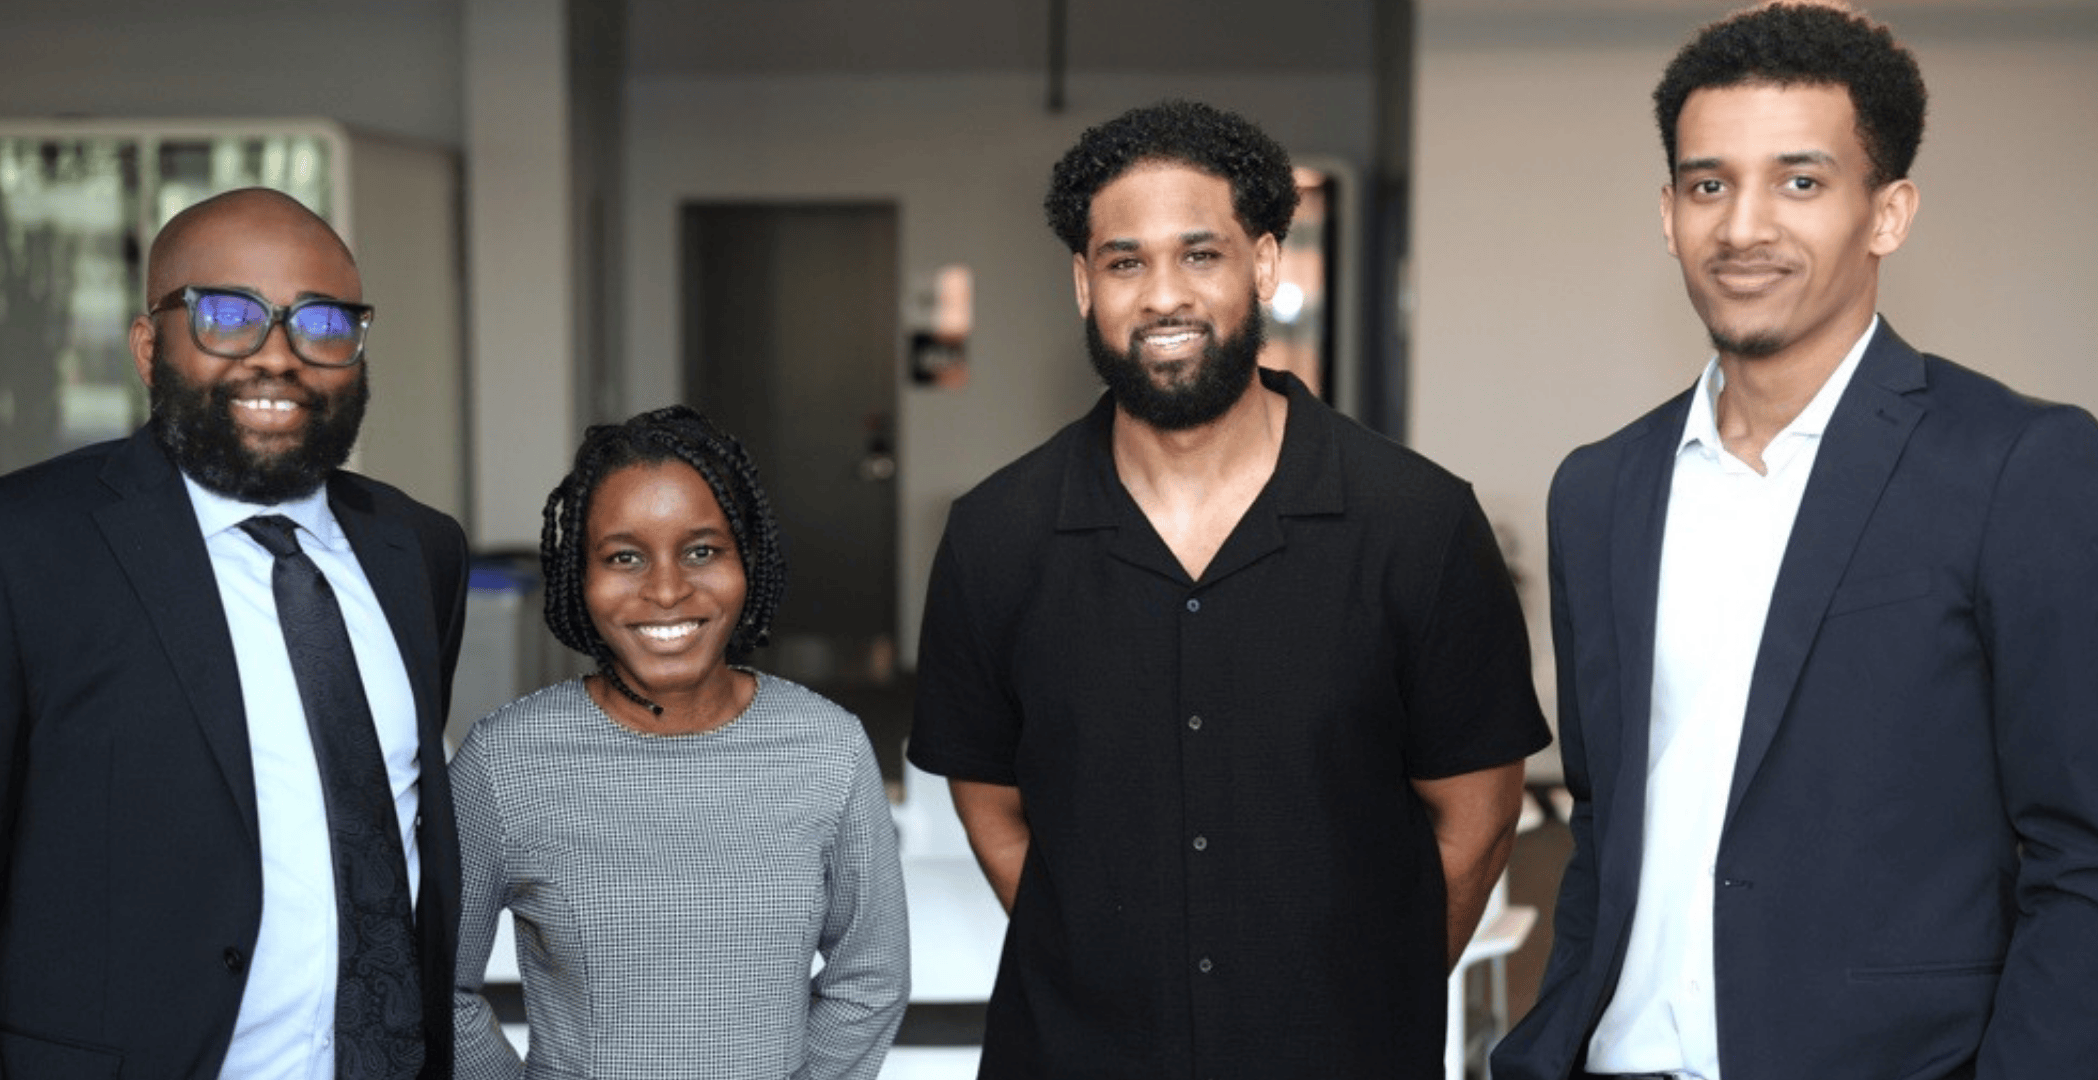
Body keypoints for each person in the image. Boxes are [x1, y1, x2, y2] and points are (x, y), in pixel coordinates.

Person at [1491, 4, 2098, 1078]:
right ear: (1667, 213)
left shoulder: (2018, 466)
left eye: (1801, 181)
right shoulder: (1600, 490)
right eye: (1708, 183)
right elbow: (1606, 827)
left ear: (1889, 213)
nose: (1743, 227)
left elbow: (2080, 854)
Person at [907, 99, 1551, 1077]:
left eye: (1199, 255)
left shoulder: (1415, 524)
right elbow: (990, 803)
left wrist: (1364, 990)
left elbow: (1480, 813)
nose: (1163, 295)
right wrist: (1107, 971)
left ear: (1264, 262)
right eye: (1125, 262)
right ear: (1084, 284)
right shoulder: (998, 536)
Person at [0, 187, 469, 1079]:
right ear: (150, 345)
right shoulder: (2, 550)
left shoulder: (418, 550)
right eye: (229, 315)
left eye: (323, 323)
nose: (279, 357)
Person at [450, 405, 908, 1080]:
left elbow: (869, 979)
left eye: (702, 551)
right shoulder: (505, 764)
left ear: (744, 561)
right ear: (582, 575)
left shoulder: (828, 749)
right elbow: (438, 985)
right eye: (624, 557)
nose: (666, 590)